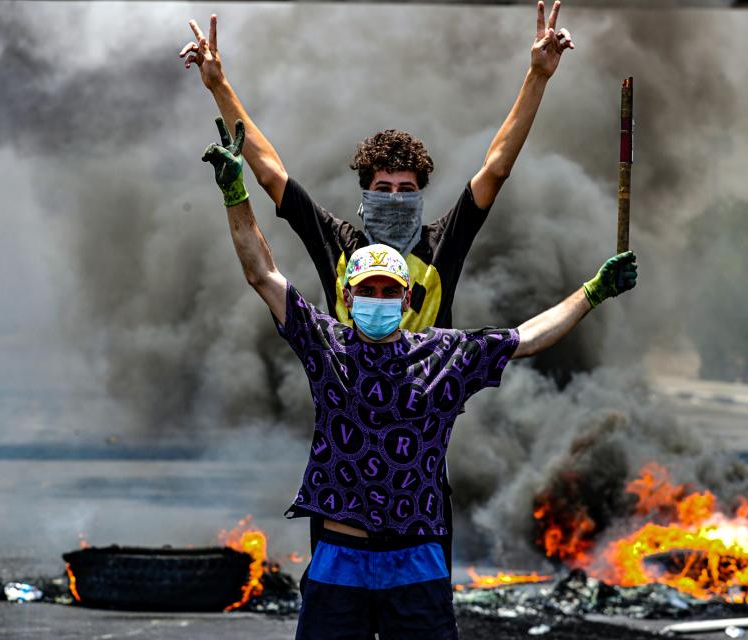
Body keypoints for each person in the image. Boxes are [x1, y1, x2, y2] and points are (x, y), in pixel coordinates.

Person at [201, 118, 637, 639]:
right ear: (347, 296)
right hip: (341, 556)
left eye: (389, 291)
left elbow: (526, 337)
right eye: (368, 290)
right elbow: (262, 273)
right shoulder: (326, 347)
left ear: (408, 299)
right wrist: (234, 193)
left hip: (417, 557)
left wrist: (592, 292)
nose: (378, 300)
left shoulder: (444, 355)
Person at [179, 3, 575, 330]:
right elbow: (270, 174)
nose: (395, 199)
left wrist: (537, 75)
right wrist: (219, 86)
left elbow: (496, 170)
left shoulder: (441, 246)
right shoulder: (339, 245)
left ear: (420, 196)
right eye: (384, 190)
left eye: (406, 191)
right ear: (365, 196)